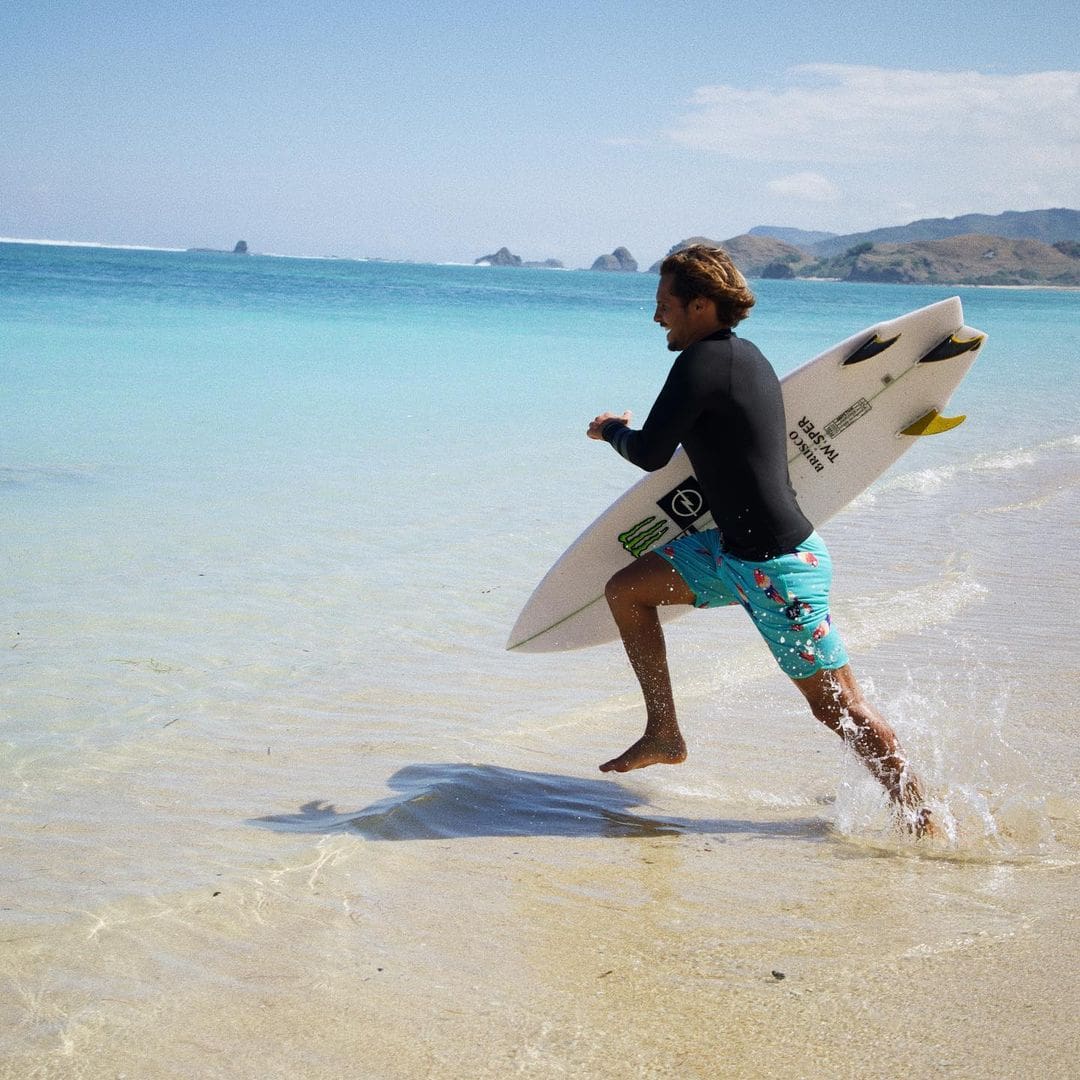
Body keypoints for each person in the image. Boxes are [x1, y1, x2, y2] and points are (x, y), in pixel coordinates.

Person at [587, 244, 934, 837]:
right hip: (732, 554)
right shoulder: (744, 358)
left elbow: (650, 454)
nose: (657, 317)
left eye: (664, 304)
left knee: (840, 709)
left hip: (778, 567)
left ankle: (922, 818)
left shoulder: (701, 365)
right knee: (626, 591)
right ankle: (664, 732)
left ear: (700, 305)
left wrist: (611, 430)